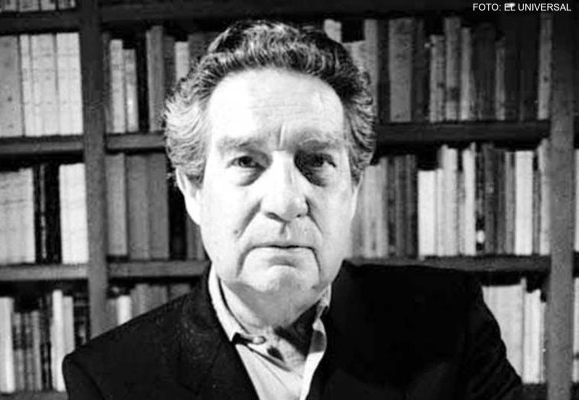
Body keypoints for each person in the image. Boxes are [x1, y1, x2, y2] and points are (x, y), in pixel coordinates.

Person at [63, 20, 522, 400]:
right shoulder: (110, 379)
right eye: (246, 161)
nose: (285, 202)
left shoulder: (450, 324)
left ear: (354, 188)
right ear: (193, 190)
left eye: (316, 160)